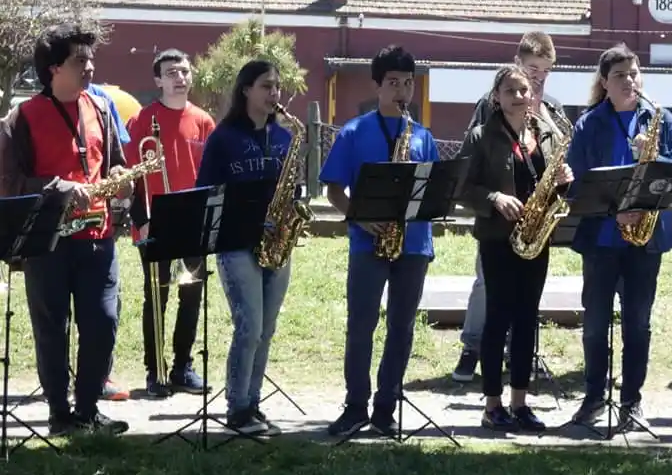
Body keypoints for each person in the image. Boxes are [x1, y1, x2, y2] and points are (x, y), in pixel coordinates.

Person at [0, 22, 133, 436]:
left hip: (98, 236)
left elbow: (112, 161)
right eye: (81, 60)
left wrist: (122, 176)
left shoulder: (100, 107)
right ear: (54, 69)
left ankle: (89, 408)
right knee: (51, 328)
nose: (90, 67)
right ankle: (60, 414)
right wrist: (58, 186)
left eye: (90, 58)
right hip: (48, 241)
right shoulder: (21, 117)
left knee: (103, 323)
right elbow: (8, 183)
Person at [566, 44, 672, 431]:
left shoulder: (661, 120)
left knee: (638, 324)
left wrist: (653, 163)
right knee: (595, 324)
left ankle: (632, 400)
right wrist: (613, 208)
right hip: (602, 240)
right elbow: (577, 182)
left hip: (645, 241)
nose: (630, 80)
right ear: (604, 82)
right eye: (620, 74)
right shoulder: (589, 124)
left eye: (634, 72)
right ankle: (593, 397)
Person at [321, 46, 440, 438]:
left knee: (402, 328)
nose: (402, 91)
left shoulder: (423, 137)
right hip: (367, 243)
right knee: (361, 325)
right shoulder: (355, 131)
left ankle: (386, 407)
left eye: (408, 83)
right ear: (378, 85)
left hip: (414, 244)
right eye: (393, 83)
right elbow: (334, 189)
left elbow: (436, 191)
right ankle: (355, 405)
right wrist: (360, 216)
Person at [457, 64, 573, 430]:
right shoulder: (480, 136)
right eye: (511, 91)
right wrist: (493, 197)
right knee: (498, 320)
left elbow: (551, 187)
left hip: (536, 238)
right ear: (497, 97)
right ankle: (493, 406)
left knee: (527, 321)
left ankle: (520, 403)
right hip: (497, 239)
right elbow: (462, 187)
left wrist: (563, 181)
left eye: (524, 90)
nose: (520, 96)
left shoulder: (546, 135)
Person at [195, 59, 296, 437]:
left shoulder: (285, 138)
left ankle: (253, 403)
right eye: (266, 86)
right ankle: (237, 407)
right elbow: (205, 190)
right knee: (249, 326)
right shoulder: (223, 138)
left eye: (277, 87)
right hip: (237, 243)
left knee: (266, 329)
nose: (275, 93)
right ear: (246, 90)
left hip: (277, 244)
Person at [127, 49, 215, 397]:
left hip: (193, 222)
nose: (179, 77)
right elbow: (131, 177)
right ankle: (155, 370)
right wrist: (140, 219)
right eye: (171, 72)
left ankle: (182, 366)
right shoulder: (142, 120)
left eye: (184, 70)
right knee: (157, 297)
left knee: (191, 294)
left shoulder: (205, 121)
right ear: (158, 81)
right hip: (154, 221)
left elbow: (212, 174)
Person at [84, 80, 133, 402]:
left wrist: (119, 175)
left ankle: (100, 377)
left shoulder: (102, 100)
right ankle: (62, 387)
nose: (88, 66)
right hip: (60, 223)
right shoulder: (36, 109)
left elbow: (116, 154)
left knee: (105, 311)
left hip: (100, 223)